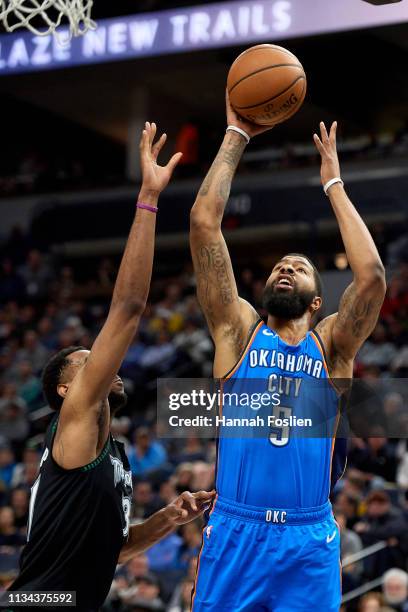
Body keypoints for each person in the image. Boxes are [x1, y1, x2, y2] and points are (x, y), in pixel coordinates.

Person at [189, 93, 386, 611]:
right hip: (236, 527)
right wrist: (237, 136)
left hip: (307, 538)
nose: (284, 269)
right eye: (279, 265)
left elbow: (370, 277)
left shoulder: (332, 346)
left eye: (297, 267)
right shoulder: (238, 332)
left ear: (318, 300)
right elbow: (204, 225)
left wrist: (333, 184)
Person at [7, 122, 214, 612]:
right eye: (84, 362)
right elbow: (126, 307)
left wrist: (165, 520)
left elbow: (112, 552)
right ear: (63, 390)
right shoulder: (77, 416)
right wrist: (147, 198)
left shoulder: (106, 450)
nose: (100, 364)